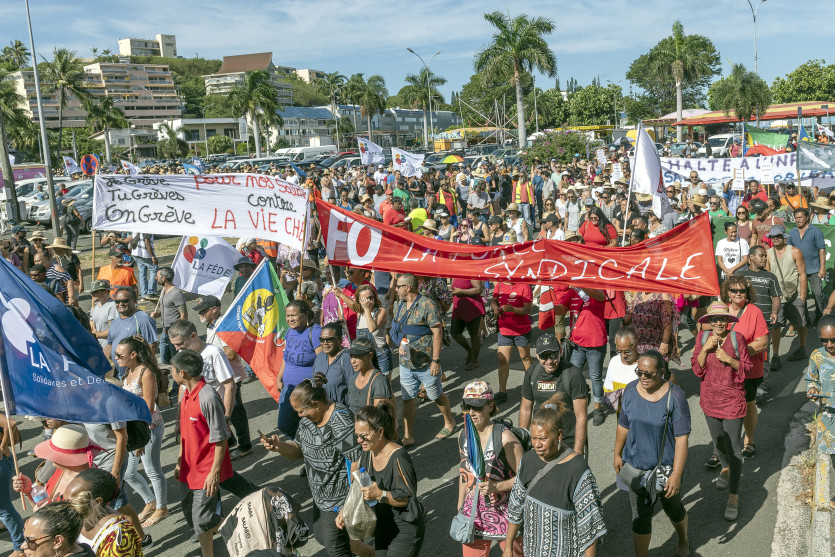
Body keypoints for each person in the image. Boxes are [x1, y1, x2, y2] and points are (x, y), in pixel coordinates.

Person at [261, 380, 361, 557]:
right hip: (320, 494)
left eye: (301, 411)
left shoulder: (340, 421)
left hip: (338, 499)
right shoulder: (308, 420)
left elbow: (357, 461)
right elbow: (299, 449)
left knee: (336, 549)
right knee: (322, 536)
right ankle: (369, 552)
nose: (299, 416)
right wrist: (279, 446)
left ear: (316, 404)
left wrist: (350, 502)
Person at [504, 397, 606, 557]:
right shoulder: (528, 460)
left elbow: (590, 527)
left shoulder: (577, 470)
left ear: (559, 435)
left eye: (543, 439)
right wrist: (508, 547)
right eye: (534, 438)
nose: (537, 444)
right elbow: (516, 507)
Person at [614, 351, 691, 557]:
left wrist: (676, 474)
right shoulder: (630, 391)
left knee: (673, 509)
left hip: (665, 469)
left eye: (648, 374)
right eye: (639, 372)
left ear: (662, 372)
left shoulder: (675, 397)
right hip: (636, 467)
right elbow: (623, 425)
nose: (643, 377)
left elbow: (681, 439)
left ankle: (683, 538)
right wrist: (617, 454)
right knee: (640, 517)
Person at [337, 403, 425, 557]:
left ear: (380, 431)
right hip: (383, 526)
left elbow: (407, 499)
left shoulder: (399, 458)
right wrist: (345, 510)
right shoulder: (367, 453)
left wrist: (380, 494)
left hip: (405, 529)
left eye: (364, 435)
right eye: (357, 435)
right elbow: (358, 485)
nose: (359, 440)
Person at [169, 349, 234, 557]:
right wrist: (180, 461)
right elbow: (186, 433)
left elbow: (221, 437)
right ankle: (239, 528)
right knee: (193, 514)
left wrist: (214, 472)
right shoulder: (186, 394)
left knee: (201, 519)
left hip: (206, 470)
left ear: (182, 373)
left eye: (172, 369)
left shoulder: (208, 397)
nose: (170, 373)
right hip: (189, 468)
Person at [692, 302, 752, 521]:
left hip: (732, 400)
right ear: (708, 321)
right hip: (710, 400)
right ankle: (725, 469)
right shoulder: (702, 338)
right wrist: (705, 349)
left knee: (735, 448)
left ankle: (733, 496)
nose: (718, 322)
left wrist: (730, 360)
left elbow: (747, 368)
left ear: (728, 321)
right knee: (718, 443)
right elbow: (697, 368)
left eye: (722, 319)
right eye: (714, 319)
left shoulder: (737, 339)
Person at [456, 382, 524, 557]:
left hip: (506, 514)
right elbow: (464, 473)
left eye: (477, 407)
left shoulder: (505, 438)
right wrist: (461, 503)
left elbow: (526, 478)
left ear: (490, 406)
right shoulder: (463, 435)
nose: (471, 412)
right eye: (467, 407)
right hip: (474, 514)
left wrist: (497, 487)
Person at [391, 273, 457, 444]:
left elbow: (437, 332)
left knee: (436, 395)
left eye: (399, 286)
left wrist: (436, 360)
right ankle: (408, 436)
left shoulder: (427, 304)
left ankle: (449, 421)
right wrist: (399, 344)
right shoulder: (399, 305)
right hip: (406, 363)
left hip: (426, 362)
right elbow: (397, 328)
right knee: (407, 399)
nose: (396, 289)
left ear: (408, 288)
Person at [115, 337, 168, 528]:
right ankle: (150, 501)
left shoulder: (146, 373)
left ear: (133, 355)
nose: (116, 358)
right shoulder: (127, 371)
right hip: (132, 429)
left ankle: (162, 508)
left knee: (152, 469)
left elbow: (149, 407)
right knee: (129, 474)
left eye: (120, 355)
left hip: (148, 427)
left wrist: (141, 439)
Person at [196, 295, 253, 459]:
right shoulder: (211, 325)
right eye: (199, 311)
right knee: (221, 409)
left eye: (203, 310)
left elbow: (231, 353)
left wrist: (209, 356)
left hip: (231, 376)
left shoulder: (225, 325)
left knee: (235, 412)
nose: (200, 314)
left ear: (215, 309)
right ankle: (230, 440)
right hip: (219, 377)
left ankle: (245, 445)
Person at [720, 275, 769, 460]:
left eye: (742, 290)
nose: (738, 293)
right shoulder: (720, 310)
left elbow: (762, 342)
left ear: (748, 293)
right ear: (728, 292)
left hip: (748, 369)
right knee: (723, 407)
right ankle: (721, 447)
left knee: (748, 404)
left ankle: (749, 441)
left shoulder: (754, 311)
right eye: (734, 290)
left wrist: (738, 351)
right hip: (723, 370)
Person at [519, 335, 589, 455]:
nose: (549, 361)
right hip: (540, 441)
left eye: (553, 355)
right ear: (537, 355)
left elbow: (581, 416)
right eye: (544, 356)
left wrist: (577, 452)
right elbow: (525, 409)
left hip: (567, 441)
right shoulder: (532, 373)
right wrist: (522, 443)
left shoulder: (573, 375)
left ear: (560, 351)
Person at [552, 286, 608, 426]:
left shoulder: (599, 289)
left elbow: (600, 296)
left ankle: (597, 408)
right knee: (571, 376)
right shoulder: (572, 292)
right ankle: (572, 405)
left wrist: (581, 284)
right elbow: (560, 310)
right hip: (577, 344)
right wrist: (548, 303)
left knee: (595, 377)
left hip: (595, 343)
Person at [65, 468, 143, 556]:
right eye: (63, 499)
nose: (65, 507)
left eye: (72, 502)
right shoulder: (78, 518)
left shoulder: (118, 533)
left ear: (98, 501)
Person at [275, 299, 322, 439]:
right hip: (288, 389)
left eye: (293, 315)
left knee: (312, 427)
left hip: (307, 393)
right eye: (287, 316)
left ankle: (310, 448)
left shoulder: (315, 332)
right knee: (284, 425)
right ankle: (302, 446)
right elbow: (286, 357)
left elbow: (323, 362)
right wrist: (279, 378)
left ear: (305, 314)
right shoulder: (290, 332)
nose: (290, 319)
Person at [804, 314, 835, 511]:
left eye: (834, 340)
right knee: (834, 456)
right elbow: (812, 379)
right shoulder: (817, 356)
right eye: (824, 340)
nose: (829, 345)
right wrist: (813, 389)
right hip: (829, 416)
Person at [766, 225, 808, 364]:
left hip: (795, 295)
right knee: (776, 326)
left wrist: (802, 296)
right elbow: (767, 275)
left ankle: (802, 348)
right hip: (777, 297)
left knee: (801, 323)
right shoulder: (768, 253)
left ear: (784, 237)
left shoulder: (795, 251)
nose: (775, 238)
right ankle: (775, 356)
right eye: (773, 236)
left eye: (778, 236)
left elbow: (802, 274)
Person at [103, 287, 158, 379]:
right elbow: (109, 346)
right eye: (117, 301)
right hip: (119, 375)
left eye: (124, 301)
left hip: (137, 376)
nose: (120, 304)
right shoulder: (115, 322)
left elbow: (152, 346)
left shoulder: (143, 319)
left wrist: (142, 372)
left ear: (134, 300)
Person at [788, 208, 826, 326]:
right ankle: (805, 319)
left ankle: (820, 316)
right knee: (801, 296)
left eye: (800, 217)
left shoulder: (816, 231)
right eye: (796, 218)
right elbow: (789, 251)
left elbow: (821, 250)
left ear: (807, 217)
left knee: (818, 294)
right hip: (798, 270)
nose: (798, 220)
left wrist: (822, 267)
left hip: (814, 269)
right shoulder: (792, 233)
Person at [20, 501, 95, 557]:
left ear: (57, 541)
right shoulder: (83, 548)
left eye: (30, 541)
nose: (22, 546)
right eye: (25, 539)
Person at [624, 290, 680, 365]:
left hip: (657, 343)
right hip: (639, 343)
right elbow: (630, 312)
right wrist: (622, 327)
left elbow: (668, 320)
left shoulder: (662, 295)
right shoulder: (638, 293)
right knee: (641, 366)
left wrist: (665, 342)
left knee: (658, 368)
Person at [345, 338, 393, 414]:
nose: (352, 361)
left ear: (370, 355)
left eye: (357, 356)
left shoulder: (380, 381)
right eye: (351, 356)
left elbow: (380, 415)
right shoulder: (352, 380)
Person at [150, 266, 187, 367]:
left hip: (174, 331)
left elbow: (184, 314)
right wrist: (156, 314)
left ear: (163, 278)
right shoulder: (163, 290)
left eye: (157, 276)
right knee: (164, 358)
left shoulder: (176, 293)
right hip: (165, 331)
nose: (155, 278)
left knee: (176, 360)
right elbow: (164, 309)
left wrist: (180, 333)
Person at [353, 284, 392, 376]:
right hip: (365, 356)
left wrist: (367, 310)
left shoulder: (381, 311)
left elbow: (372, 328)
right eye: (364, 299)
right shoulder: (359, 315)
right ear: (359, 301)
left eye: (370, 297)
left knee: (384, 383)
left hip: (380, 354)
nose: (368, 301)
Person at [313, 321, 353, 406]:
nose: (325, 343)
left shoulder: (346, 357)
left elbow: (354, 389)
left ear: (339, 340)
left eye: (329, 339)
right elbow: (313, 383)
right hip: (322, 409)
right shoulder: (320, 357)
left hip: (341, 410)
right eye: (322, 340)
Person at [451, 278, 485, 370]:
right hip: (458, 307)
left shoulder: (471, 272)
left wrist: (462, 291)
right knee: (455, 334)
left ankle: (474, 360)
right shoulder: (454, 274)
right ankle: (470, 351)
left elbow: (478, 289)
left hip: (472, 308)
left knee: (474, 335)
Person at [604, 327, 640, 409]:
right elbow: (608, 388)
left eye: (627, 351)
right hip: (621, 411)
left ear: (635, 345)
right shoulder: (614, 361)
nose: (623, 355)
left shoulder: (645, 363)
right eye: (619, 351)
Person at [88, 280, 117, 349]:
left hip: (108, 346)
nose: (92, 295)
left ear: (105, 292)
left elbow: (114, 330)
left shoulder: (113, 306)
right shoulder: (94, 306)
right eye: (91, 292)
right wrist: (92, 329)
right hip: (96, 345)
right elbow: (91, 320)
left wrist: (96, 334)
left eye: (95, 292)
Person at [130, 233, 158, 301]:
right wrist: (153, 256)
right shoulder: (146, 228)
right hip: (144, 254)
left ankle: (144, 294)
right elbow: (147, 242)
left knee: (142, 273)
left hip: (136, 253)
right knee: (154, 269)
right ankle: (151, 293)